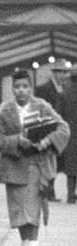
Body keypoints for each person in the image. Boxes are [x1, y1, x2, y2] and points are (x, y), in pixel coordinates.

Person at [0, 68, 69, 246]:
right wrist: (17, 141)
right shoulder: (3, 111)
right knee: (19, 212)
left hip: (37, 166)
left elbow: (63, 128)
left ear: (31, 88)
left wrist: (45, 142)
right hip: (14, 166)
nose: (21, 91)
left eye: (25, 86)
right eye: (17, 87)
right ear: (12, 89)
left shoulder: (42, 106)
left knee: (33, 209)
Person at [35, 59, 70, 201]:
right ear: (54, 73)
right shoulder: (44, 89)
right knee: (48, 160)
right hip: (47, 128)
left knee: (56, 161)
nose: (62, 75)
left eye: (64, 72)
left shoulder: (65, 89)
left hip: (59, 129)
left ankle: (50, 191)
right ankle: (47, 191)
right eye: (60, 72)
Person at [59, 69, 77, 203]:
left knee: (71, 166)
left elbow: (59, 116)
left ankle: (71, 194)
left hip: (70, 134)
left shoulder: (64, 94)